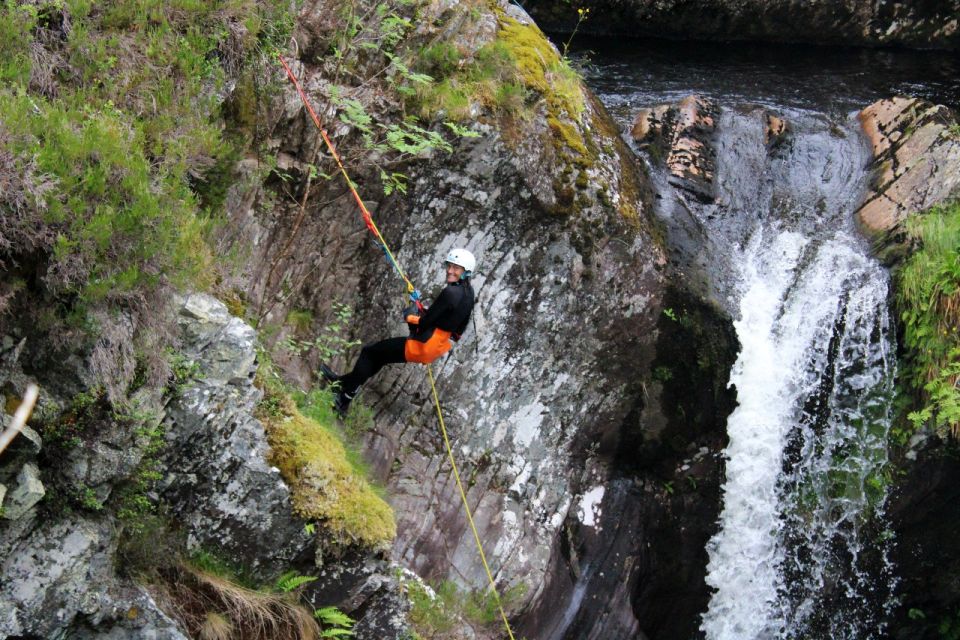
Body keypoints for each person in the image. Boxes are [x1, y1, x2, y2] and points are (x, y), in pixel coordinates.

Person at [321, 248, 476, 417]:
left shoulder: (450, 292)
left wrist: (410, 316)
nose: (450, 271)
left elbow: (423, 323)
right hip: (434, 346)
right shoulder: (469, 294)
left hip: (423, 343)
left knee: (369, 353)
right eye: (449, 266)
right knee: (380, 356)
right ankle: (341, 384)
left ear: (465, 272)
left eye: (456, 268)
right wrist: (424, 318)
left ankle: (343, 400)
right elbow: (457, 328)